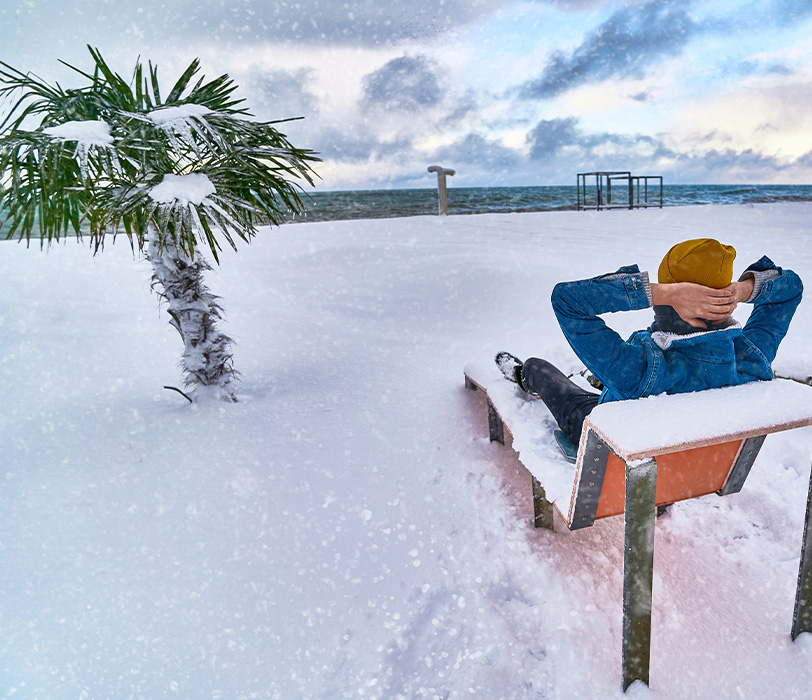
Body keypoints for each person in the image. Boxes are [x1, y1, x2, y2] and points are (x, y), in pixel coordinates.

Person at [495, 238, 803, 450]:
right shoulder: (752, 357)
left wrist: (661, 293)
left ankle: (527, 377)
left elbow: (567, 300)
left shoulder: (637, 371)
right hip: (684, 467)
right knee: (608, 375)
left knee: (540, 369)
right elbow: (791, 289)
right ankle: (599, 380)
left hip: (618, 447)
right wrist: (742, 291)